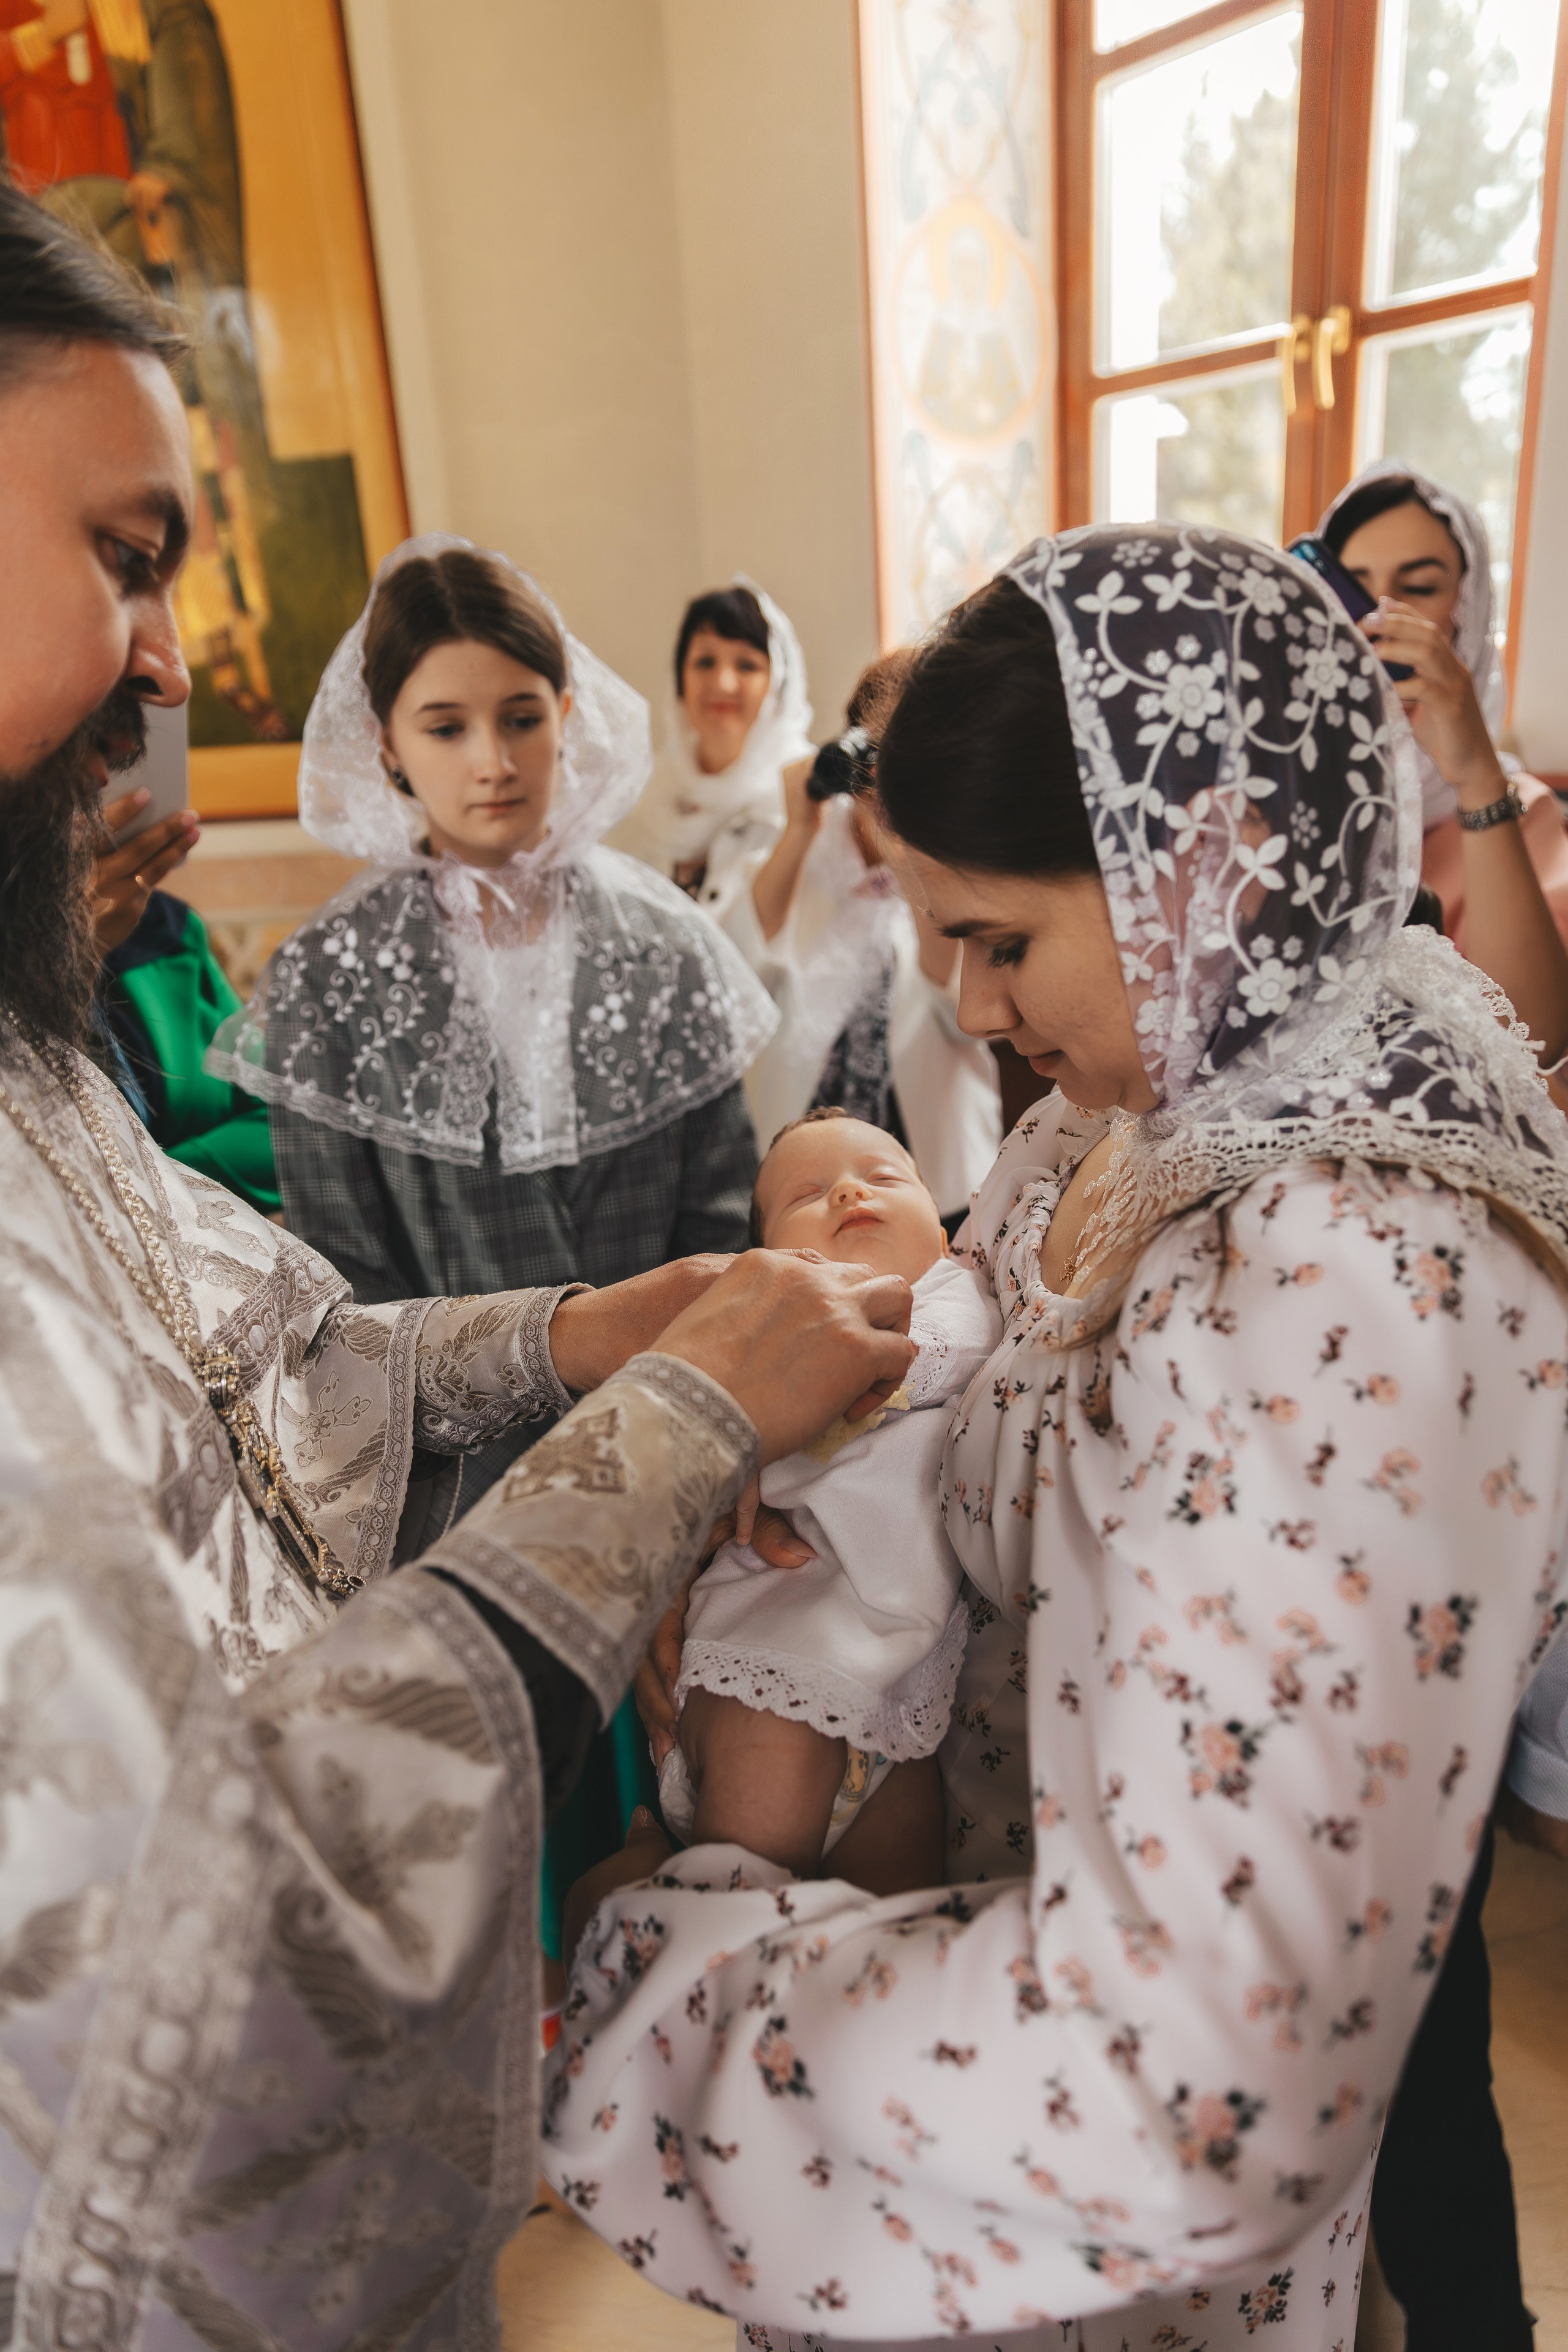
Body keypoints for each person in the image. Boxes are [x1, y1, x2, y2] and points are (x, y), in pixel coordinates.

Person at [0, 173, 918, 2345]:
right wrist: (676, 1427)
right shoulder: (324, 982)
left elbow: (258, 1375)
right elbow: (184, 1912)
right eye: (123, 558)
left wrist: (608, 1328)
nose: (161, 662)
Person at [547, 524, 1568, 2352]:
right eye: (936, 932)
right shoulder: (1165, 1096)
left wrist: (663, 1989)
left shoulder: (1349, 1267)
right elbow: (1010, 1403)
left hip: (1078, 2147)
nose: (969, 1003)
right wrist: (814, 1478)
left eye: (994, 934)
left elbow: (1189, 2076)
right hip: (972, 1942)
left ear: (1198, 870)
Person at [205, 535, 777, 1954]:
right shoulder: (336, 976)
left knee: (695, 1774)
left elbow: (719, 1201)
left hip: (678, 1431)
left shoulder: (667, 937)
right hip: (453, 1477)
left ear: (566, 714)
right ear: (386, 746)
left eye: (521, 713)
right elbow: (337, 1272)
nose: (491, 759)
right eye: (445, 724)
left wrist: (688, 1425)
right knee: (508, 1800)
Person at [657, 1106, 1000, 1889]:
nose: (848, 1193)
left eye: (882, 1177)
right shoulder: (752, 1334)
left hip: (900, 1700)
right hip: (768, 1655)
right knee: (743, 1911)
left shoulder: (956, 1297)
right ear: (768, 1261)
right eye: (808, 1194)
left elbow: (925, 1355)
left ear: (942, 1237)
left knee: (883, 1933)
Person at [612, 586, 1001, 1216]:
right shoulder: (789, 833)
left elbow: (952, 994)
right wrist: (799, 829)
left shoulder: (952, 853)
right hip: (803, 1172)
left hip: (935, 1174)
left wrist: (907, 843)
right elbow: (739, 966)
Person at [1319, 459, 1568, 1063]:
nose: (1381, 617)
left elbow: (1531, 1042)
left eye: (1420, 587)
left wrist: (1477, 778)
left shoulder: (1519, 810)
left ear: (1469, 612)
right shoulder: (1288, 788)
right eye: (1352, 587)